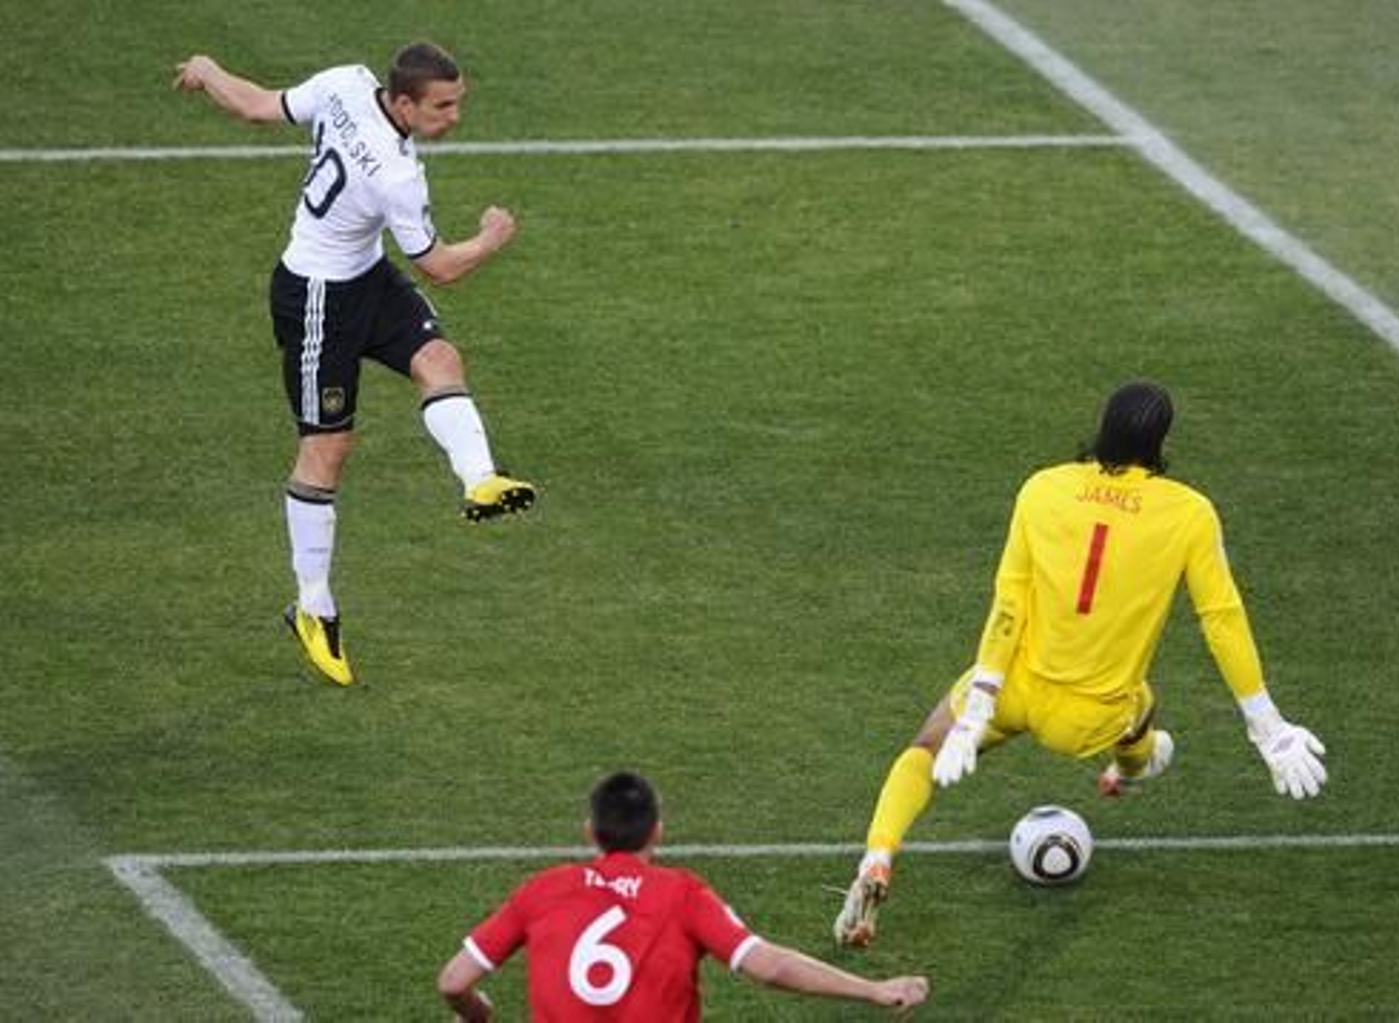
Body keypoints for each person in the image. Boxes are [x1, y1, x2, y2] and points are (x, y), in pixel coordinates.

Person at [833, 381, 1328, 947]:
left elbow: (1009, 603)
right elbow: (1222, 619)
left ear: (1102, 427)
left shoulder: (1042, 488)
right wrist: (1267, 727)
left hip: (1016, 682)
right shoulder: (1190, 514)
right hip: (1090, 717)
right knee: (1142, 703)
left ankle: (878, 856)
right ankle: (1132, 767)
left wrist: (979, 708)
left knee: (924, 749)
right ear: (1161, 442)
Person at [172, 43, 538, 687]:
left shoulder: (345, 83)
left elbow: (259, 107)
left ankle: (481, 479)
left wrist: (208, 72)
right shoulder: (396, 174)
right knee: (327, 448)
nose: (454, 118)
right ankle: (313, 608)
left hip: (367, 276)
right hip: (316, 298)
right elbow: (441, 267)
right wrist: (492, 237)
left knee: (439, 357)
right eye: (442, 107)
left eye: (458, 102)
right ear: (403, 102)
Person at [437, 772, 930, 1020]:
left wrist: (476, 1012)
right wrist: (873, 989)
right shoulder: (683, 895)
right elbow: (770, 967)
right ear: (658, 831)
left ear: (590, 830)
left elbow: (454, 981)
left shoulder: (543, 890)